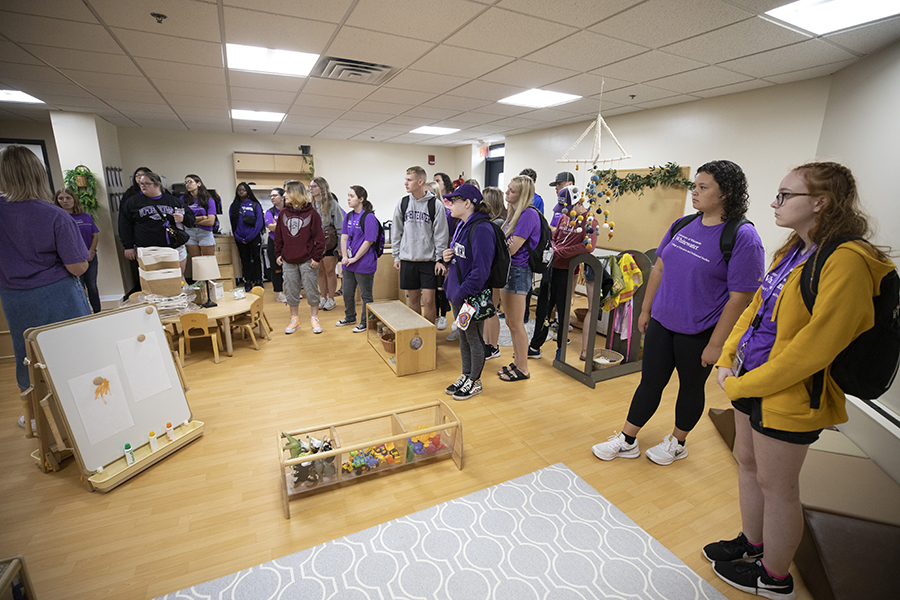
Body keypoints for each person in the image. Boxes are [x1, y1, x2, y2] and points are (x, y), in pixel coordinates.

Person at [704, 162, 894, 599]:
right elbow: (754, 311)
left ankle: (775, 578)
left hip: (789, 395)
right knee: (748, 467)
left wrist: (741, 385)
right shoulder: (793, 249)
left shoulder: (848, 262)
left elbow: (813, 349)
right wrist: (728, 358)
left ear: (821, 202)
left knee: (779, 487)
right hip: (751, 381)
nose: (775, 202)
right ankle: (753, 545)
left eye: (785, 195)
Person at [591, 160, 764, 465]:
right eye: (694, 185)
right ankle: (628, 438)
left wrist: (717, 345)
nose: (694, 192)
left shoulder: (742, 237)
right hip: (662, 322)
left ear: (727, 193)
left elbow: (741, 298)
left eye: (703, 187)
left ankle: (678, 442)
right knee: (650, 382)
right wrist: (646, 310)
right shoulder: (683, 224)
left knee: (690, 388)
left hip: (700, 331)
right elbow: (659, 267)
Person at [0, 146, 91, 427]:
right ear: (40, 174)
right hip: (57, 294)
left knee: (26, 353)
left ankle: (34, 416)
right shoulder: (54, 215)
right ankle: (85, 412)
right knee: (74, 352)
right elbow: (78, 266)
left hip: (15, 297)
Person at [528, 187, 597, 360]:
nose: (566, 213)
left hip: (567, 272)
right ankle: (535, 346)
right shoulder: (564, 217)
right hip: (551, 269)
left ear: (579, 203)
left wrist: (560, 252)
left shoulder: (590, 221)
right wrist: (553, 248)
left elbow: (587, 247)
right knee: (543, 309)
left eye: (569, 208)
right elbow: (555, 237)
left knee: (563, 311)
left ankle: (561, 350)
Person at [442, 184, 496, 401]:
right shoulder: (462, 225)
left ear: (468, 203)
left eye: (454, 201)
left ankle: (475, 380)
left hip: (470, 295)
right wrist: (449, 255)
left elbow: (481, 270)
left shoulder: (482, 228)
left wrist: (462, 293)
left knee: (474, 338)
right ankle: (465, 375)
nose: (450, 204)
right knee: (464, 336)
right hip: (458, 292)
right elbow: (464, 256)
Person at [497, 175, 542, 382]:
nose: (507, 193)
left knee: (516, 323)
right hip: (510, 271)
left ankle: (523, 367)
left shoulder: (527, 215)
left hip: (518, 271)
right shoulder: (513, 215)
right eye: (508, 189)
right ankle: (517, 362)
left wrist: (502, 245)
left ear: (522, 194)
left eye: (512, 191)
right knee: (510, 321)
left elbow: (512, 248)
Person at [391, 165, 449, 324]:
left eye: (409, 180)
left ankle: (429, 337)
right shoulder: (403, 203)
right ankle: (416, 336)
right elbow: (396, 231)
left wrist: (439, 259)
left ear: (420, 181)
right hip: (408, 260)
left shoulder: (435, 205)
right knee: (414, 300)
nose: (406, 183)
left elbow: (441, 234)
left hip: (428, 261)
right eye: (406, 180)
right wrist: (396, 256)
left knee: (429, 301)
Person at [274, 181, 325, 335]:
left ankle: (314, 318)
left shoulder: (312, 214)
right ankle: (294, 319)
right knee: (291, 290)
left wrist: (316, 258)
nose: (284, 195)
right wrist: (278, 254)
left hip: (308, 260)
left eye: (286, 192)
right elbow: (278, 237)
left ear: (296, 193)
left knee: (311, 291)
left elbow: (320, 239)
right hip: (289, 260)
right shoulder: (283, 214)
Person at [119, 171, 195, 262]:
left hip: (172, 248)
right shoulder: (132, 202)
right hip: (147, 249)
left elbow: (191, 219)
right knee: (151, 275)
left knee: (177, 275)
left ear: (158, 185)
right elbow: (124, 224)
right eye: (141, 184)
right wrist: (128, 246)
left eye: (147, 183)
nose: (143, 186)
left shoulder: (173, 201)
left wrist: (183, 218)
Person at [335, 186, 379, 333]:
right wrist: (346, 257)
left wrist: (355, 258)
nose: (348, 199)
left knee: (366, 295)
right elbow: (344, 237)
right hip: (349, 263)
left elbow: (369, 241)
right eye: (348, 196)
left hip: (364, 263)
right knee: (347, 292)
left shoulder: (369, 217)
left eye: (352, 196)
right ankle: (350, 317)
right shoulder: (348, 216)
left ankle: (365, 322)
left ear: (361, 199)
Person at [55, 188, 100, 313]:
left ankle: (97, 312)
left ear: (74, 199)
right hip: (73, 259)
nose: (65, 201)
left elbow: (95, 235)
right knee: (78, 287)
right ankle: (83, 312)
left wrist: (91, 252)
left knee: (92, 285)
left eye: (68, 198)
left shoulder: (85, 216)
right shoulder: (58, 218)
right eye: (61, 198)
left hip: (90, 257)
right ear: (57, 201)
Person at [309, 177, 344, 311]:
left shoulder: (332, 204)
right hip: (314, 243)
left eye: (314, 186)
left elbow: (340, 226)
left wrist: (340, 246)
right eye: (310, 187)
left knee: (330, 271)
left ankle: (331, 298)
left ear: (321, 188)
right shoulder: (310, 205)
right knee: (319, 271)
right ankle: (322, 297)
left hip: (329, 242)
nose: (311, 189)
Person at [480, 186, 506, 359]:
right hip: (491, 272)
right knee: (487, 310)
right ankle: (487, 343)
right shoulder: (494, 222)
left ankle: (493, 346)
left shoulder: (497, 223)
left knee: (491, 310)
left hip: (494, 273)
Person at [229, 182, 264, 291]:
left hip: (253, 238)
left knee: (257, 259)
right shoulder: (234, 206)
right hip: (240, 239)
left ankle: (258, 281)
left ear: (248, 191)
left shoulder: (255, 204)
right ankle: (247, 281)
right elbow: (233, 225)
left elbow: (259, 223)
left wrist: (250, 237)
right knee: (244, 260)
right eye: (239, 190)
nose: (241, 191)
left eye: (244, 190)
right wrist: (238, 238)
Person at [430, 179, 455, 333]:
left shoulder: (446, 213)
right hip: (428, 257)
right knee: (431, 289)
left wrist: (445, 259)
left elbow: (448, 236)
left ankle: (443, 315)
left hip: (442, 256)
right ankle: (434, 316)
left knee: (441, 288)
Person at [181, 174, 217, 262]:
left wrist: (191, 220)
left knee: (208, 261)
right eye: (185, 183)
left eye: (190, 182)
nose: (187, 184)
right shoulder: (183, 199)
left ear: (198, 184)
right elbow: (182, 219)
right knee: (196, 262)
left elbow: (210, 221)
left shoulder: (208, 200)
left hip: (205, 232)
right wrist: (201, 218)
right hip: (190, 232)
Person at [265, 187, 287, 303]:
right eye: (271, 196)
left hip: (288, 243)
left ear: (283, 197)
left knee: (289, 268)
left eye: (275, 195)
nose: (272, 198)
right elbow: (271, 227)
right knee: (276, 269)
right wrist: (284, 225)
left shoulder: (290, 210)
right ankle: (279, 293)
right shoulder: (270, 212)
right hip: (274, 242)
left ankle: (291, 291)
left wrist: (278, 225)